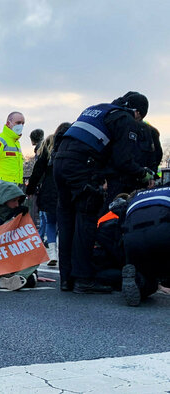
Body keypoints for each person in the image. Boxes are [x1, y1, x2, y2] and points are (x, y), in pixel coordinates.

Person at [54, 92, 154, 294]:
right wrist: (143, 174)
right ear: (137, 112)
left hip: (59, 163)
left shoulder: (98, 109)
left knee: (66, 220)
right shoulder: (125, 119)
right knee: (86, 218)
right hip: (82, 165)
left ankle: (66, 279)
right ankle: (83, 280)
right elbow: (122, 160)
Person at [26, 123, 72, 266]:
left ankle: (52, 253)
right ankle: (66, 253)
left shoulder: (47, 147)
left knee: (50, 222)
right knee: (65, 223)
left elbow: (37, 171)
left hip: (48, 190)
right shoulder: (71, 145)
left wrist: (30, 190)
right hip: (66, 189)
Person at [104, 92, 159, 207]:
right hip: (134, 184)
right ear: (138, 112)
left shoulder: (117, 122)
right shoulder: (148, 131)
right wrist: (149, 176)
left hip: (120, 183)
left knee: (112, 217)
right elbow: (154, 157)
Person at [121, 186, 170, 306]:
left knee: (149, 279)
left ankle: (138, 281)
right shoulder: (167, 191)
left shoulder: (134, 200)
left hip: (133, 239)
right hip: (162, 232)